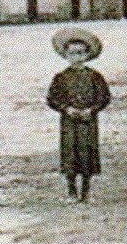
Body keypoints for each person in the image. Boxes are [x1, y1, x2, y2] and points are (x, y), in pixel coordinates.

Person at [46, 27, 111, 203]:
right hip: (69, 122)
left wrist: (92, 109)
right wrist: (66, 109)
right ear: (66, 55)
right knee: (70, 154)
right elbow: (52, 98)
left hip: (88, 121)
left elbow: (104, 97)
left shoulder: (95, 77)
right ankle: (71, 191)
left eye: (81, 53)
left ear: (87, 55)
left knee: (87, 153)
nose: (77, 57)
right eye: (72, 53)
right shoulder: (60, 77)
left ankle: (86, 192)